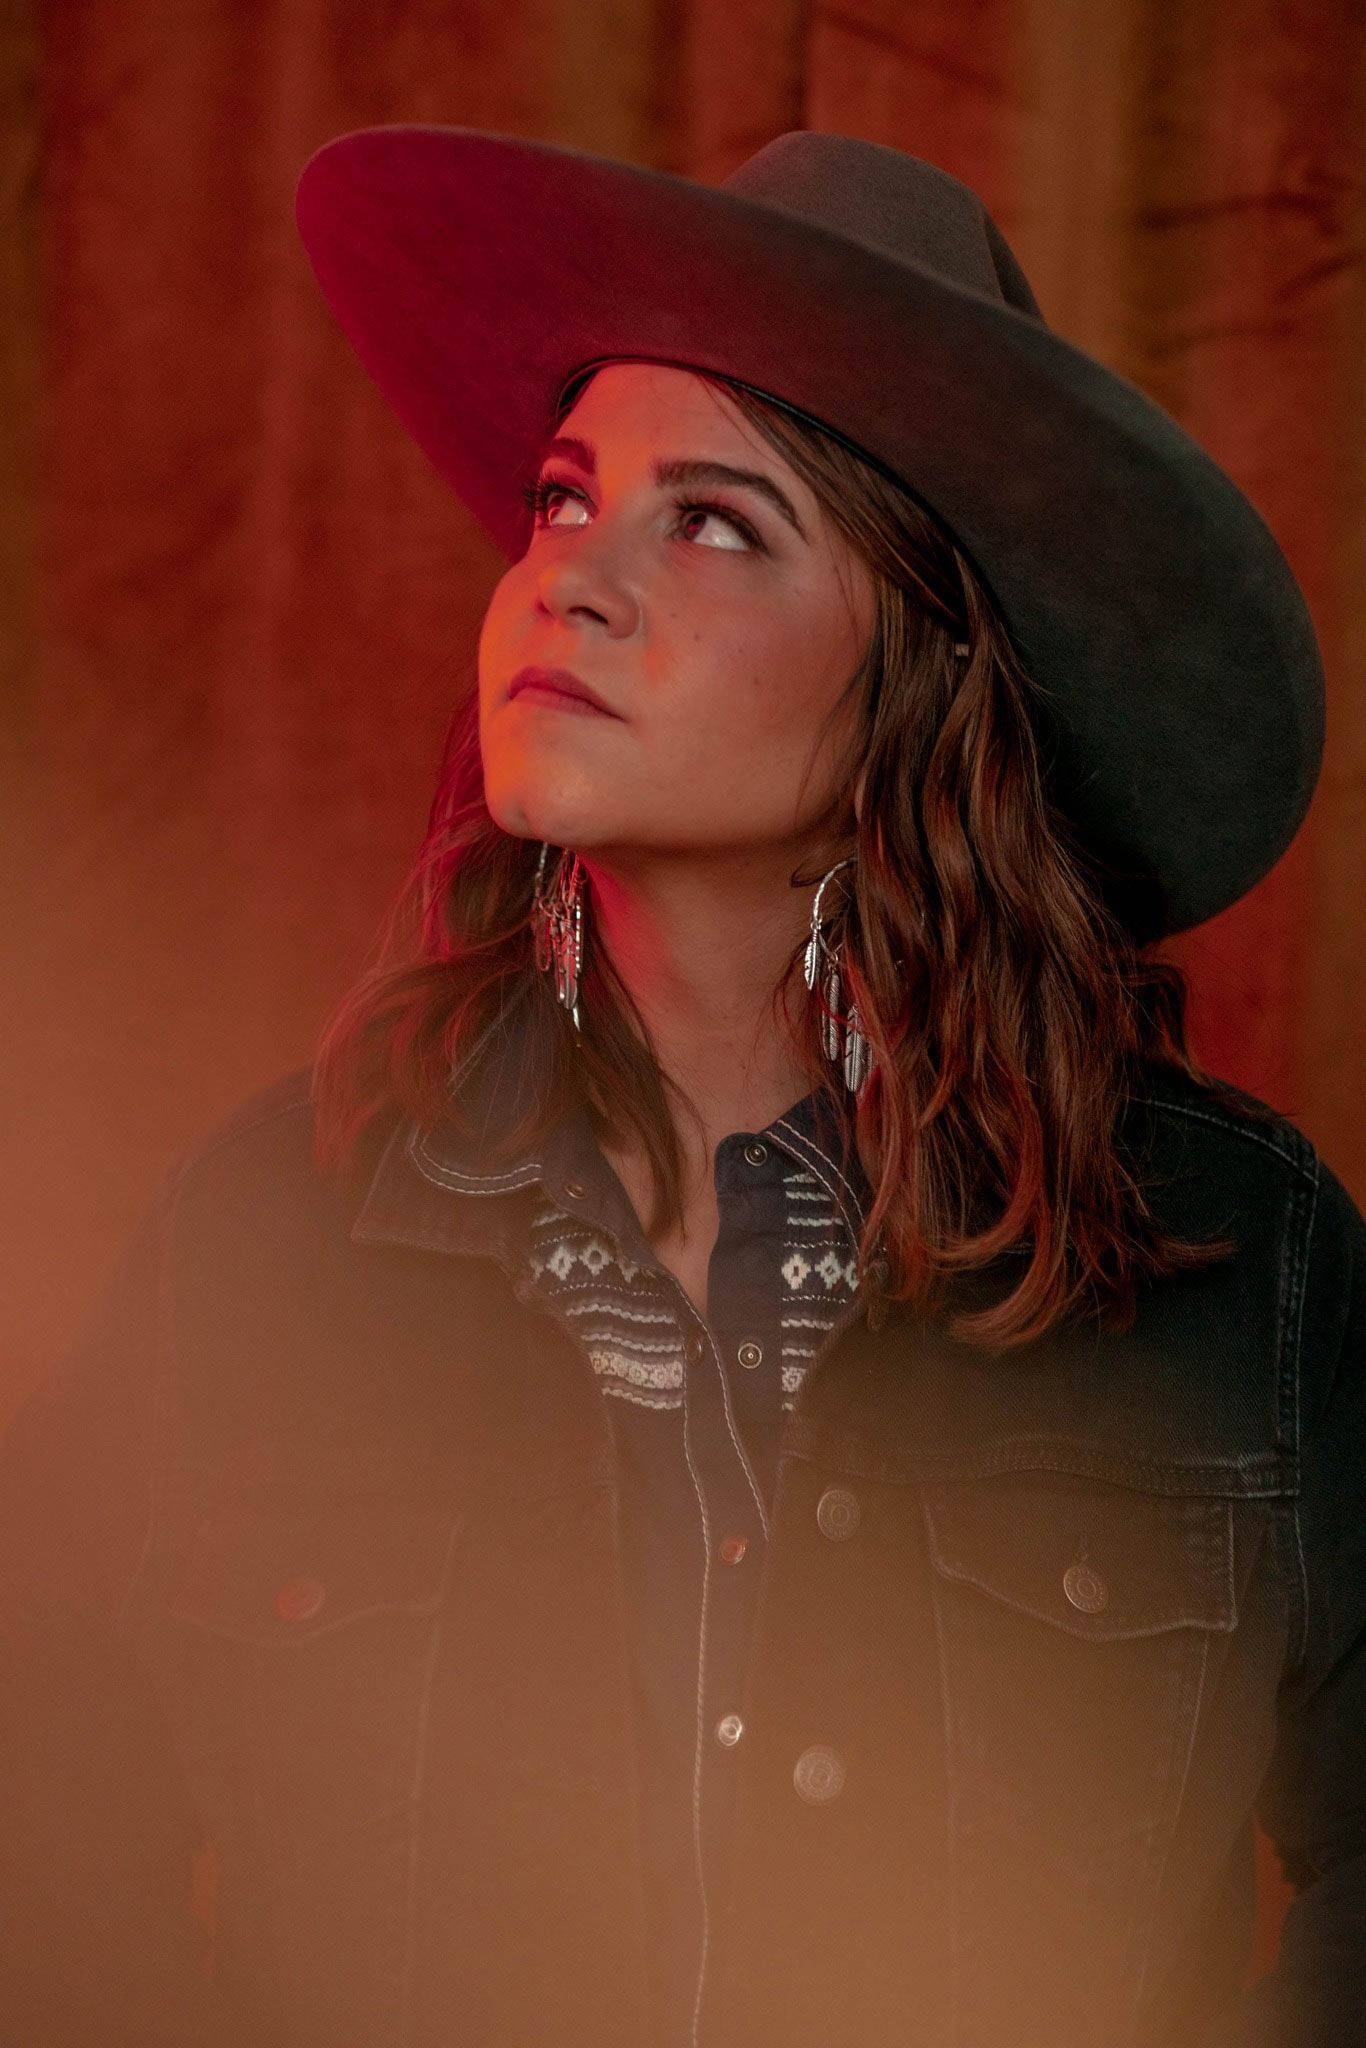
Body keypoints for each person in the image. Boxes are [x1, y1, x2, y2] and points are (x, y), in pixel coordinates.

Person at [0, 125, 1360, 2048]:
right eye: (564, 500)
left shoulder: (1242, 1264)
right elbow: (43, 1828)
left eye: (713, 524)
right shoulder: (267, 1233)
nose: (572, 580)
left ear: (918, 674)